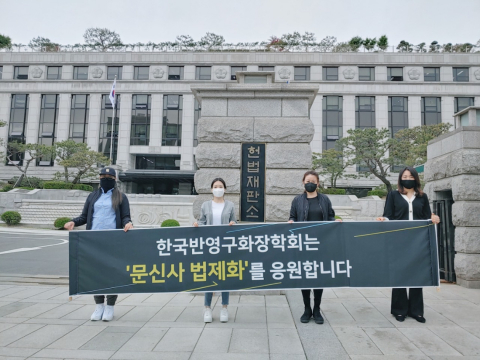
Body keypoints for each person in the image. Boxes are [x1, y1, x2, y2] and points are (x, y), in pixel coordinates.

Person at [64, 167, 133, 322]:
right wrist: (73, 222)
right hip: (93, 240)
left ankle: (110, 306)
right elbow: (84, 217)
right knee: (96, 273)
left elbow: (125, 217)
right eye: (103, 176)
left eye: (109, 176)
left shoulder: (121, 196)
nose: (105, 178)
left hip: (112, 240)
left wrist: (128, 223)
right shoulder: (92, 196)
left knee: (112, 273)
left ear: (115, 179)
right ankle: (99, 305)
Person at [376, 166, 440, 323]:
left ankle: (416, 311)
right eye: (405, 176)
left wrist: (434, 218)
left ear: (416, 179)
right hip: (399, 240)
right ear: (400, 179)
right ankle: (399, 310)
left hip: (418, 242)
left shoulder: (422, 197)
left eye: (411, 177)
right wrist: (383, 219)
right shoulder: (393, 195)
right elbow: (388, 215)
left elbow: (427, 217)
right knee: (400, 274)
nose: (408, 179)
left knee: (417, 274)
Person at [288, 170, 341, 324]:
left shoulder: (324, 199)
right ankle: (307, 309)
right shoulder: (297, 200)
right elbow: (292, 216)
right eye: (307, 180)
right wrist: (291, 221)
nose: (309, 183)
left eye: (313, 180)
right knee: (305, 277)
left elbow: (330, 216)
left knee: (318, 277)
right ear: (303, 183)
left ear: (318, 183)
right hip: (303, 244)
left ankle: (317, 309)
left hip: (321, 245)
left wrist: (335, 221)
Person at [193, 177, 236, 323]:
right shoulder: (205, 205)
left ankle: (224, 307)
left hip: (224, 245)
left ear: (225, 189)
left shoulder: (230, 205)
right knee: (210, 275)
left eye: (221, 186)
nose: (218, 189)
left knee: (224, 275)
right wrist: (197, 224)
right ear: (212, 189)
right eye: (215, 186)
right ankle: (207, 308)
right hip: (210, 246)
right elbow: (202, 221)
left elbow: (235, 222)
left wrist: (232, 224)